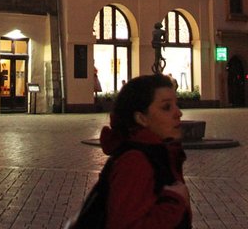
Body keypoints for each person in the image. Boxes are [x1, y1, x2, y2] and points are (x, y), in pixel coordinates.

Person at [76, 74, 191, 228]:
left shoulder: (159, 152)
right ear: (141, 118)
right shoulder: (135, 162)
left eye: (176, 104)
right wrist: (173, 202)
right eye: (166, 107)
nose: (178, 113)